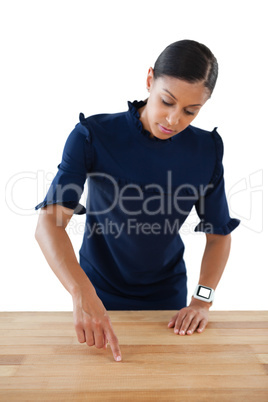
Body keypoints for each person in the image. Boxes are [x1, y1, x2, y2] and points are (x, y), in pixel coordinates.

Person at [34, 39, 240, 362]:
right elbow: (49, 222)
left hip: (168, 301)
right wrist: (80, 292)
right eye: (167, 101)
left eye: (190, 111)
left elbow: (219, 236)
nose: (173, 120)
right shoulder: (92, 136)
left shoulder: (206, 151)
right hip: (96, 292)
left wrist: (202, 301)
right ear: (149, 80)